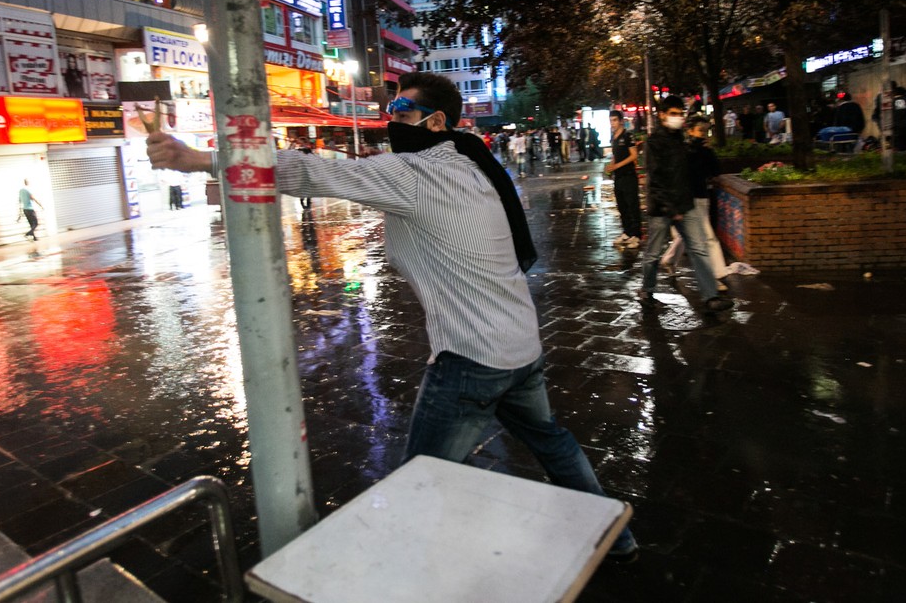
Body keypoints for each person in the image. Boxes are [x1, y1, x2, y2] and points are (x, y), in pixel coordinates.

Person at [145, 71, 639, 561]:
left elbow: (313, 172)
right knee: (551, 441)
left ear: (436, 121)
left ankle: (408, 570)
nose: (391, 120)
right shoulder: (474, 165)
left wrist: (200, 159)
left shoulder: (415, 173)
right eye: (390, 110)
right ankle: (617, 539)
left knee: (421, 479)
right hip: (522, 345)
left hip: (472, 357)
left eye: (402, 111)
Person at [638, 96, 733, 313]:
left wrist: (703, 149)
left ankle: (711, 297)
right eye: (673, 113)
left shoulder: (681, 141)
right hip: (662, 208)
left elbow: (700, 170)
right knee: (653, 253)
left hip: (685, 203)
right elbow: (656, 179)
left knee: (699, 248)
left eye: (680, 114)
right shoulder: (654, 142)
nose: (678, 118)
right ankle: (647, 290)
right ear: (662, 115)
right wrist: (671, 209)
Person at [659, 117, 728, 291]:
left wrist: (709, 152)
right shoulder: (685, 150)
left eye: (705, 131)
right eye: (700, 130)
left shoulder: (705, 150)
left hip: (702, 196)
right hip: (689, 198)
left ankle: (669, 259)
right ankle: (715, 276)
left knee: (688, 233)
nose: (703, 134)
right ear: (690, 131)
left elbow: (716, 171)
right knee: (708, 237)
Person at [605, 110, 642, 249]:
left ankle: (636, 235)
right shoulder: (613, 137)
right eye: (611, 120)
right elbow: (615, 155)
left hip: (629, 176)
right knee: (622, 206)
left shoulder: (628, 136)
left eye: (615, 120)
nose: (612, 123)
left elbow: (634, 155)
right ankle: (627, 232)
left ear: (621, 121)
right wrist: (611, 166)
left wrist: (617, 165)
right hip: (618, 177)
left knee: (632, 205)